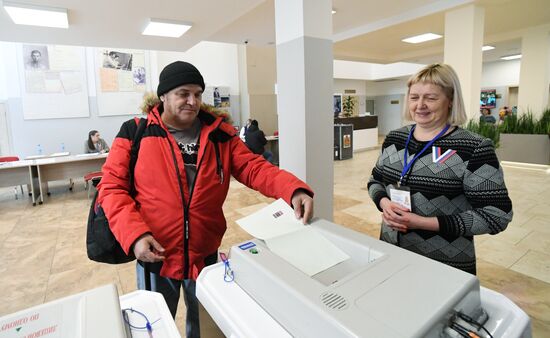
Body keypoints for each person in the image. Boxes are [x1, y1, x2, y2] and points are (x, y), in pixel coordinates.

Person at [97, 61, 314, 338]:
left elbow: (253, 167)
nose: (193, 101)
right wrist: (135, 235)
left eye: (198, 94)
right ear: (163, 95)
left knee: (206, 327)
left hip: (205, 254)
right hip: (156, 253)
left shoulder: (220, 135)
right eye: (183, 93)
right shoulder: (135, 132)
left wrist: (292, 189)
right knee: (153, 326)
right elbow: (112, 188)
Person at [367, 63, 512, 275]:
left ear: (451, 101)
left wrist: (424, 223)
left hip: (444, 265)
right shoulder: (395, 139)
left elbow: (497, 215)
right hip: (391, 252)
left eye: (431, 98)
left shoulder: (473, 148)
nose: (420, 105)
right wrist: (384, 202)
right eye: (414, 97)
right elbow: (375, 180)